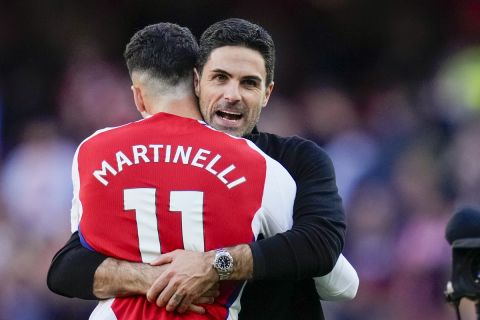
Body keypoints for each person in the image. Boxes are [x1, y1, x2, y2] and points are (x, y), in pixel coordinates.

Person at [48, 19, 357, 319]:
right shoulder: (155, 163)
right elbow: (68, 267)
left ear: (267, 94)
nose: (232, 95)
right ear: (197, 82)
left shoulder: (292, 160)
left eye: (249, 83)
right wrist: (157, 277)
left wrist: (213, 265)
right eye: (220, 78)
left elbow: (320, 245)